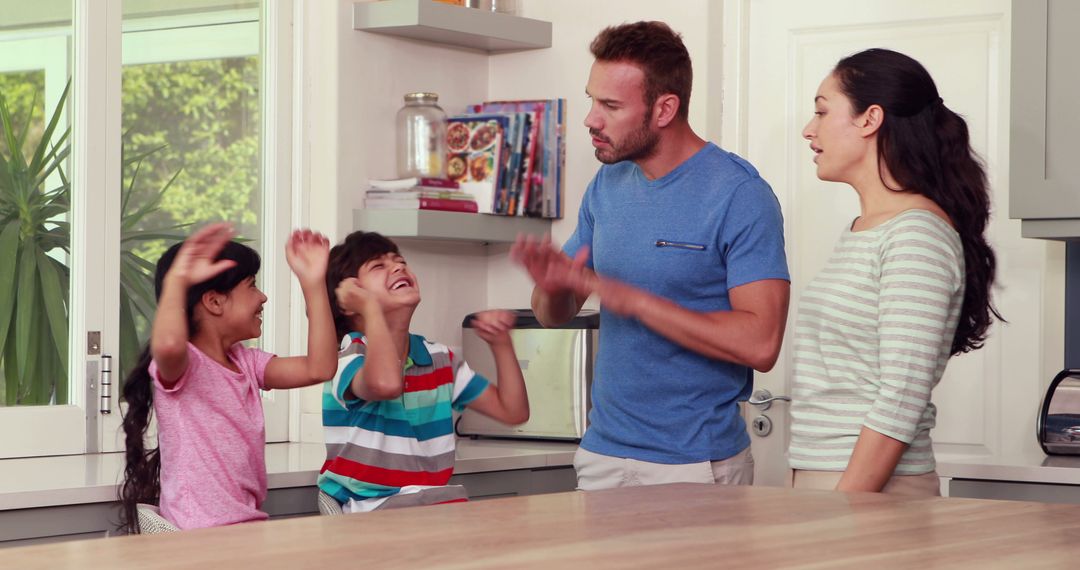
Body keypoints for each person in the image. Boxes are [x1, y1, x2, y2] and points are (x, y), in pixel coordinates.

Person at [511, 21, 790, 490]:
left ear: (665, 109)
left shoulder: (740, 195)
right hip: (601, 455)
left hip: (696, 463)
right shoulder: (607, 184)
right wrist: (554, 285)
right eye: (592, 99)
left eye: (611, 105)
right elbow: (552, 314)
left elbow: (761, 343)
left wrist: (633, 300)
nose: (590, 119)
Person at [789, 48, 1002, 496]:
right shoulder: (868, 230)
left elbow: (901, 397)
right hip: (833, 485)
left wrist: (845, 506)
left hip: (868, 494)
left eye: (823, 113)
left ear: (870, 119)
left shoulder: (915, 236)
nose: (809, 130)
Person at [119, 223, 338, 532]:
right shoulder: (186, 365)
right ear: (215, 302)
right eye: (251, 286)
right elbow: (168, 344)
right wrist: (177, 283)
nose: (262, 297)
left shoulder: (245, 362)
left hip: (243, 530)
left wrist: (314, 284)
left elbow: (320, 367)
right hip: (204, 536)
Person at [318, 231, 529, 513]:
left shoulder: (438, 359)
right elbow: (386, 384)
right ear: (349, 301)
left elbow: (513, 412)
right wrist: (371, 310)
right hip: (366, 509)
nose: (398, 267)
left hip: (433, 504)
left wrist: (501, 345)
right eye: (378, 266)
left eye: (399, 261)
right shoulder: (348, 355)